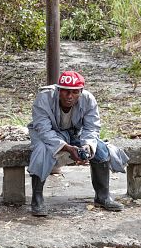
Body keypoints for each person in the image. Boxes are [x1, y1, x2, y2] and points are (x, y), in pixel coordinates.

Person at [27, 70, 124, 216]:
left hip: (74, 132)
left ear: (81, 91)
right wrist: (66, 147)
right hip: (47, 134)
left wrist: (87, 146)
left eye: (74, 92)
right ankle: (37, 199)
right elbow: (43, 130)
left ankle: (102, 196)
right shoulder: (44, 97)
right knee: (41, 151)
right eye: (65, 91)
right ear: (58, 90)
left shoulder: (88, 99)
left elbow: (92, 128)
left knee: (101, 150)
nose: (69, 96)